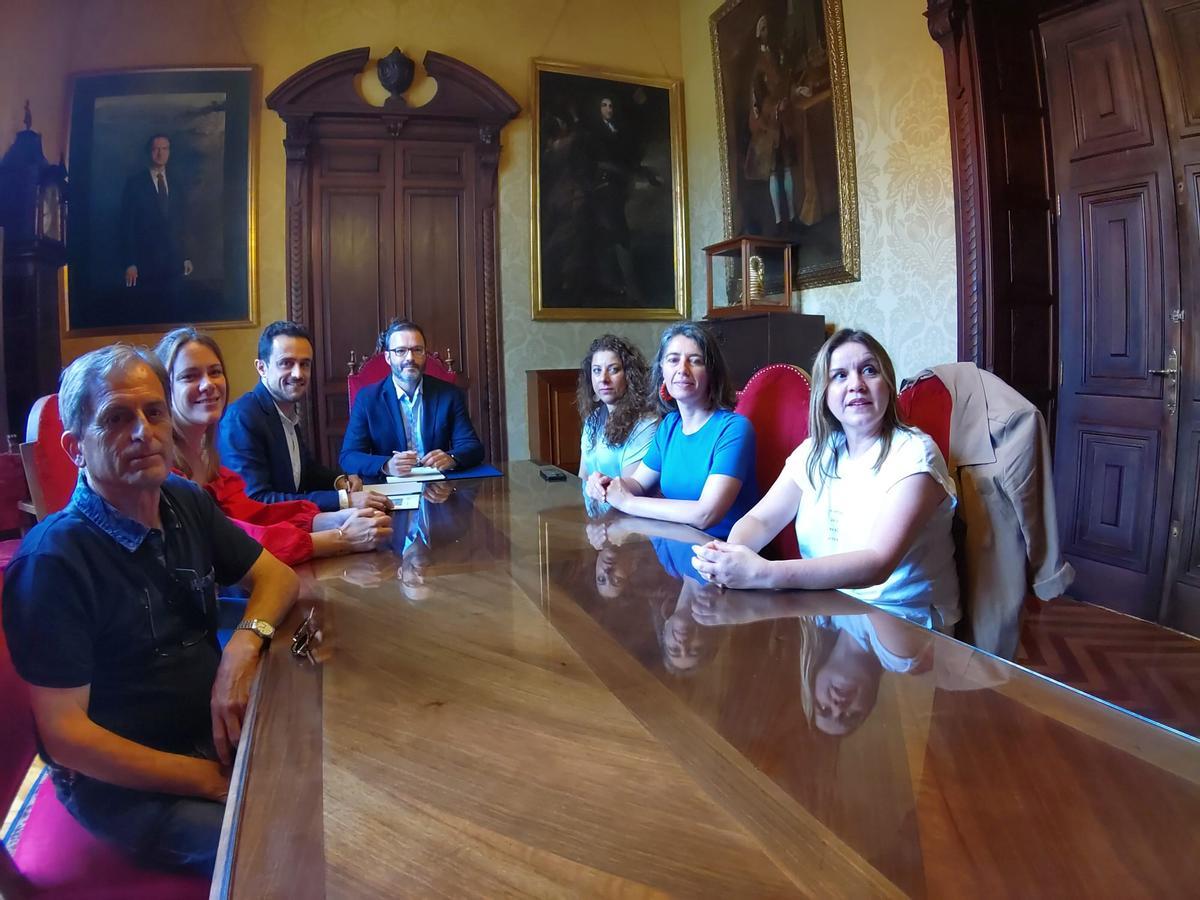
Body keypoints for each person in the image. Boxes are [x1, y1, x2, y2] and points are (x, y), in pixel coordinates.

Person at [1, 345, 298, 875]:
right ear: (75, 447)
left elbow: (277, 577)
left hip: (213, 734)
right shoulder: (53, 560)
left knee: (343, 787)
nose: (144, 432)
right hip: (131, 788)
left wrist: (242, 648)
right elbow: (66, 738)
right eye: (117, 418)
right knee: (289, 850)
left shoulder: (182, 499)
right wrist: (206, 779)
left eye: (154, 412)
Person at [691, 329, 960, 631]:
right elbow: (761, 520)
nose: (856, 384)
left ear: (888, 384)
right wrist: (729, 556)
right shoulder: (815, 451)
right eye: (840, 375)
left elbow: (877, 563)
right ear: (824, 392)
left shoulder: (915, 454)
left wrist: (762, 573)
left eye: (869, 370)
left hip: (902, 621)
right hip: (826, 609)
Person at [155, 327, 392, 565]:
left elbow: (255, 512)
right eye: (190, 376)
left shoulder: (211, 462)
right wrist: (341, 535)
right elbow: (240, 537)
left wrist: (331, 517)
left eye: (215, 372)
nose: (207, 384)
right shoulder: (240, 419)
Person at [600, 322, 758, 539]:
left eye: (695, 361)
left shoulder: (734, 429)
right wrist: (607, 484)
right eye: (673, 360)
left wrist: (627, 502)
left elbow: (706, 514)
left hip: (719, 555)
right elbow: (637, 483)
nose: (682, 370)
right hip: (675, 543)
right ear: (662, 371)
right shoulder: (669, 425)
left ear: (711, 373)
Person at [217, 320, 391, 514]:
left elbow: (304, 470)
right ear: (261, 368)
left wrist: (339, 480)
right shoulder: (242, 418)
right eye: (286, 363)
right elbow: (257, 500)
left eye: (305, 364)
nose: (298, 373)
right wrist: (344, 500)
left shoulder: (285, 410)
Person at [339, 318, 484, 478]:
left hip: (438, 487)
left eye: (417, 350)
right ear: (388, 357)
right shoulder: (367, 399)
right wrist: (386, 465)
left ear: (425, 354)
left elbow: (472, 447)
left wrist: (452, 458)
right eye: (400, 351)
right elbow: (349, 457)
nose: (410, 358)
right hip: (390, 488)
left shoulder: (449, 395)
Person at [576, 334, 659, 505]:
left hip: (631, 522)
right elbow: (583, 478)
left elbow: (629, 492)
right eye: (597, 370)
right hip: (596, 517)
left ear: (629, 375)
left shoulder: (646, 423)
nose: (603, 379)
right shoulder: (593, 419)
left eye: (613, 369)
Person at [120, 134, 192, 306]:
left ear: (169, 152)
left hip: (173, 264)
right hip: (145, 264)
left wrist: (186, 257)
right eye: (156, 149)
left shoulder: (176, 183)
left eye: (164, 149)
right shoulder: (135, 184)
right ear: (149, 152)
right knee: (147, 309)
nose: (160, 153)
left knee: (172, 312)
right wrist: (130, 263)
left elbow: (182, 223)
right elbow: (126, 225)